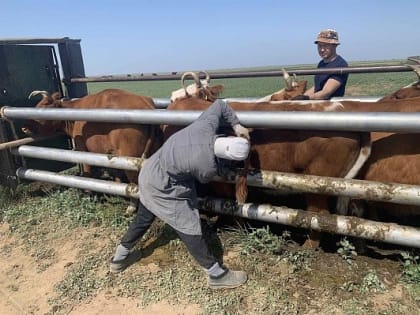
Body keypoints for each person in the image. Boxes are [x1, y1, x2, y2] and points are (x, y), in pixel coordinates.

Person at [110, 99, 250, 290]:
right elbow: (207, 177)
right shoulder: (206, 166)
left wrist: (237, 125)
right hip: (162, 185)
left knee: (144, 218)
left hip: (150, 170)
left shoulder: (205, 126)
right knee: (189, 226)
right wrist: (227, 168)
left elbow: (219, 104)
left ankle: (118, 258)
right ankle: (216, 274)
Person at [294, 29, 348, 100]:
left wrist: (306, 98)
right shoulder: (321, 63)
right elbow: (317, 87)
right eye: (319, 46)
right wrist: (299, 98)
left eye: (326, 46)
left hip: (331, 106)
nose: (322, 49)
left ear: (335, 45)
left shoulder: (340, 65)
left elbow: (326, 92)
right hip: (318, 103)